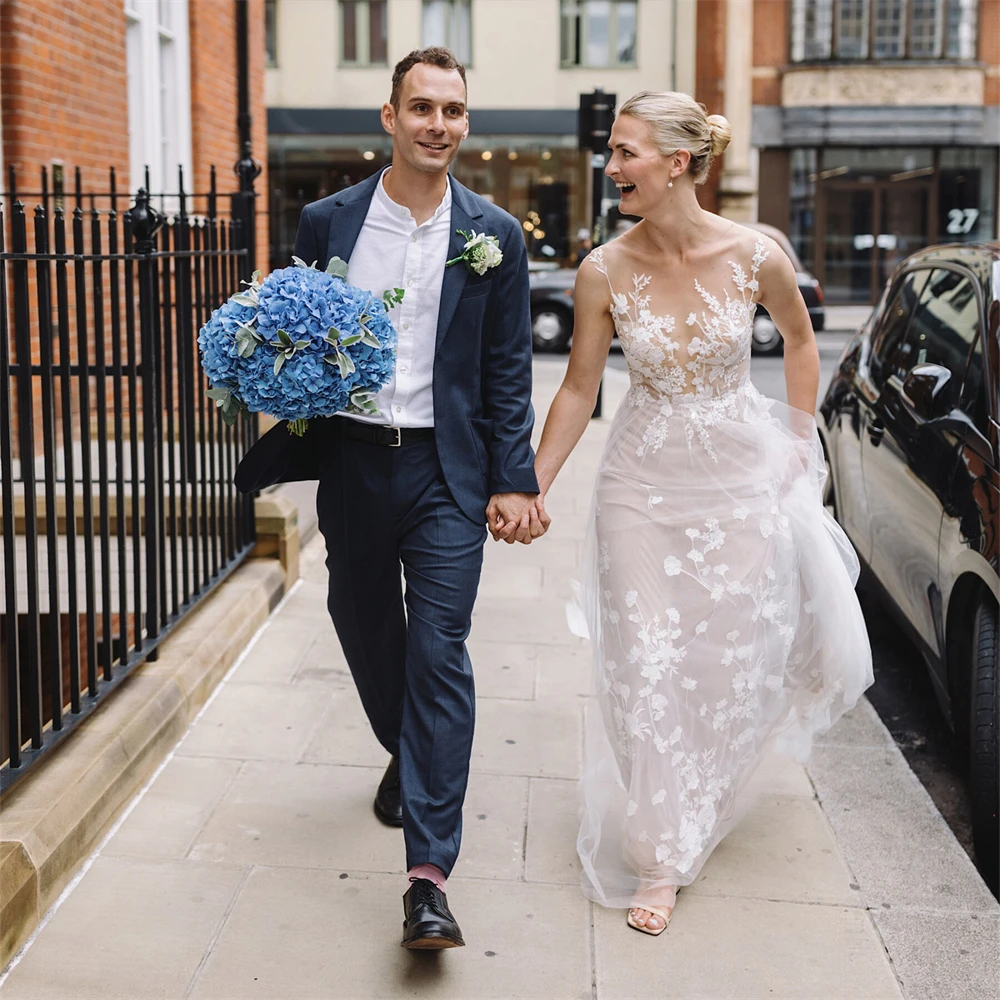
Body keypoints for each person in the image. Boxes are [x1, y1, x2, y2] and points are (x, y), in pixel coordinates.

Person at [525, 91, 873, 936]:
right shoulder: (602, 270)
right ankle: (660, 853)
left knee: (726, 664)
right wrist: (534, 482)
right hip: (638, 488)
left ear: (678, 163)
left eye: (626, 153)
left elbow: (797, 339)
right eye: (612, 152)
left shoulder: (757, 255)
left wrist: (797, 443)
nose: (613, 169)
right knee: (645, 661)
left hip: (738, 484)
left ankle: (700, 792)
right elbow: (577, 386)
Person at [235, 47, 546, 949]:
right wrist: (272, 378)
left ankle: (427, 879)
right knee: (367, 628)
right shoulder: (327, 222)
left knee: (439, 651)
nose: (439, 125)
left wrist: (513, 476)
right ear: (389, 116)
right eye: (422, 108)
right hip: (358, 466)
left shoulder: (496, 234)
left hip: (449, 472)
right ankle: (408, 757)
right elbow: (294, 341)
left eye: (453, 110)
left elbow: (506, 368)